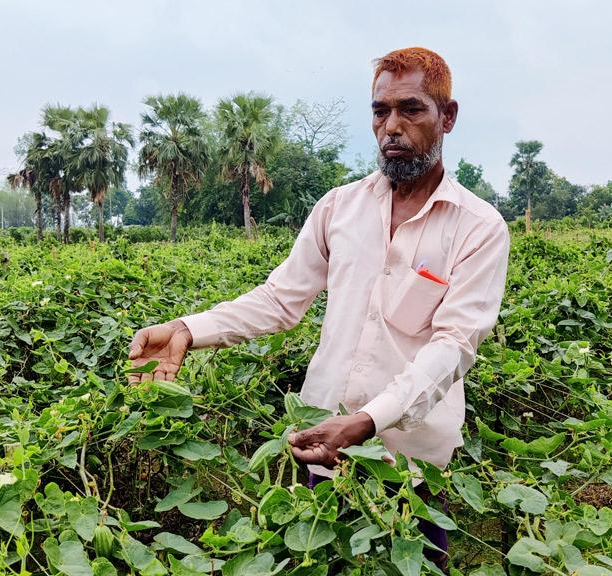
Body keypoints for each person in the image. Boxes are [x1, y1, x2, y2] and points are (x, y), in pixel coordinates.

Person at [128, 46, 510, 568]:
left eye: (411, 109)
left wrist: (367, 422)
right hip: (323, 450)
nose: (392, 126)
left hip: (412, 468)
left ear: (448, 116)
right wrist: (189, 329)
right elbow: (280, 299)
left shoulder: (478, 227)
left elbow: (454, 345)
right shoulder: (338, 208)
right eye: (380, 111)